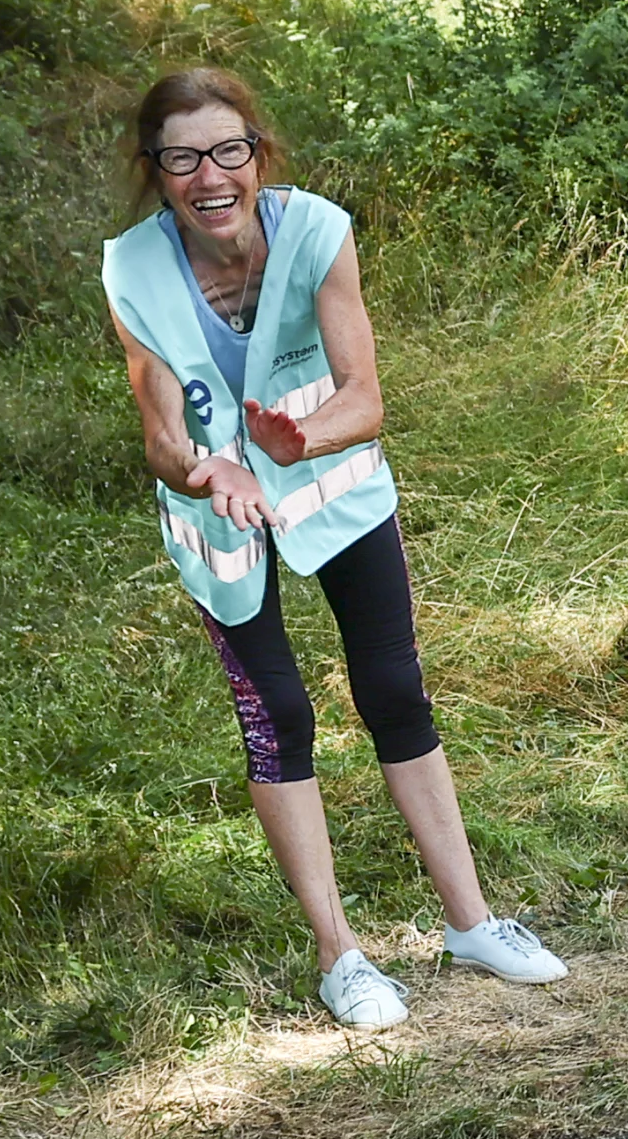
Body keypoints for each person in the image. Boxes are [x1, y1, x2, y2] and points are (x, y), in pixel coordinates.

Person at [102, 68, 567, 1029]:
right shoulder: (130, 269)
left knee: (395, 692)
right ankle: (341, 957)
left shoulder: (317, 230)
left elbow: (366, 394)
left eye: (228, 149)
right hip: (217, 515)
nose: (209, 174)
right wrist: (208, 473)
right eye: (182, 158)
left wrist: (296, 442)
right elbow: (156, 425)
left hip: (337, 491)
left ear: (257, 153)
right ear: (156, 171)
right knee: (279, 713)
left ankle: (472, 922)